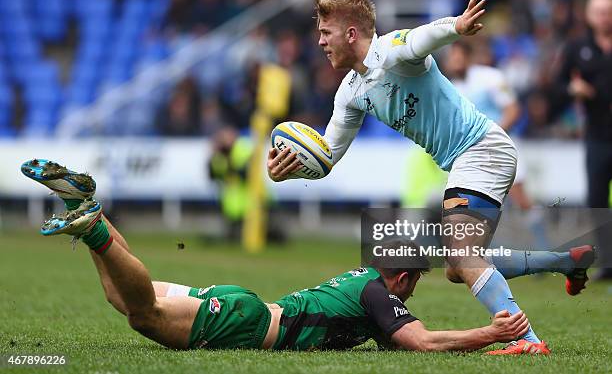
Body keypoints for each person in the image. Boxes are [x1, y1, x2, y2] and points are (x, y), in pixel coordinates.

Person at [266, 0, 596, 354]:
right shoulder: (349, 92)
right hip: (466, 159)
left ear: (351, 33)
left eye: (326, 32)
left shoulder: (390, 50)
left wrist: (457, 25)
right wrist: (290, 171)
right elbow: (328, 155)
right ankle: (567, 262)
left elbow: (423, 36)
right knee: (458, 265)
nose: (320, 41)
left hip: (482, 148)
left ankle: (528, 340)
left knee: (464, 255)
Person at [21, 158, 533, 352]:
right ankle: (91, 227)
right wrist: (487, 334)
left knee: (130, 302)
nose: (413, 290)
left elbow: (396, 340)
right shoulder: (380, 294)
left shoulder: (365, 284)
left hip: (247, 308)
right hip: (248, 323)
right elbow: (420, 341)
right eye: (414, 280)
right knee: (142, 315)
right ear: (398, 273)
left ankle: (85, 208)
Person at [444, 41, 551, 252]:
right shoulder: (450, 86)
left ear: (468, 57)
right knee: (471, 201)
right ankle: (476, 252)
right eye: (451, 57)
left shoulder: (490, 78)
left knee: (520, 197)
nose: (454, 61)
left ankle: (543, 245)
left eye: (458, 57)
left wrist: (490, 136)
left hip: (500, 146)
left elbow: (513, 110)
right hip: (471, 154)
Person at [555, 0, 612, 280]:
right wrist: (572, 89)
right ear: (589, 16)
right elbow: (557, 84)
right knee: (597, 201)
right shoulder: (577, 47)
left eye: (608, 10)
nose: (605, 16)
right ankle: (608, 263)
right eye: (599, 11)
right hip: (598, 135)